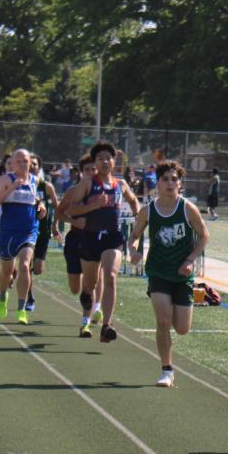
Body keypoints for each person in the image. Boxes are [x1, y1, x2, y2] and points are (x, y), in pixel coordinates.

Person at [129, 161, 209, 386]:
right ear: (158, 183)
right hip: (158, 271)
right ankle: (167, 370)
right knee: (163, 321)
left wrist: (190, 260)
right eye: (165, 179)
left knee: (182, 328)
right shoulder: (149, 210)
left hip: (182, 275)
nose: (170, 183)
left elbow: (204, 235)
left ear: (180, 183)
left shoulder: (187, 208)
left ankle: (176, 306)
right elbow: (134, 235)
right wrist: (133, 251)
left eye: (174, 179)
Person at [64, 140, 141, 342]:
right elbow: (71, 210)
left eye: (108, 158)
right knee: (90, 285)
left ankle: (107, 325)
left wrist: (138, 219)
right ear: (95, 162)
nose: (105, 162)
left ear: (114, 161)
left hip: (113, 237)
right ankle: (85, 316)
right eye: (100, 158)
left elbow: (134, 201)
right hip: (90, 238)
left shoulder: (120, 184)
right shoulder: (87, 183)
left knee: (111, 276)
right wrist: (93, 205)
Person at [0, 148, 44, 325]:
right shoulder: (5, 179)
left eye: (25, 161)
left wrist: (41, 207)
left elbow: (36, 200)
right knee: (6, 271)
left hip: (28, 231)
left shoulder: (35, 180)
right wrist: (11, 188)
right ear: (12, 163)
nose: (23, 164)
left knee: (25, 265)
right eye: (18, 161)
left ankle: (21, 308)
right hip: (8, 232)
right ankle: (2, 297)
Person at [55, 154, 103, 324]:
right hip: (75, 238)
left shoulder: (103, 192)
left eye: (93, 169)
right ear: (81, 172)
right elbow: (59, 212)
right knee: (75, 288)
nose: (90, 172)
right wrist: (73, 221)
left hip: (95, 239)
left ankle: (88, 318)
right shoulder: (73, 191)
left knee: (92, 280)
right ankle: (88, 295)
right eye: (87, 169)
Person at [26, 155, 60, 312]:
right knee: (26, 265)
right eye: (29, 164)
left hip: (43, 232)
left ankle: (23, 273)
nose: (32, 167)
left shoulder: (46, 187)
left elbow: (58, 207)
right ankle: (29, 297)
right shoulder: (21, 185)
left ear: (39, 167)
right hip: (26, 231)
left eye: (34, 164)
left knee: (38, 269)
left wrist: (55, 225)